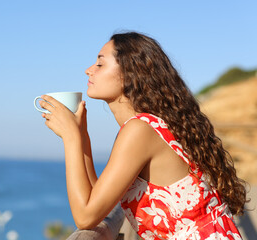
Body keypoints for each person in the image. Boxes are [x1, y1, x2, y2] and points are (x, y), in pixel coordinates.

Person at [38, 31, 247, 239]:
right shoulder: (147, 126)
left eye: (100, 64)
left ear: (130, 73)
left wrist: (71, 139)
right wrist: (82, 137)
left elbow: (85, 217)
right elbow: (98, 200)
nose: (88, 70)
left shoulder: (140, 130)